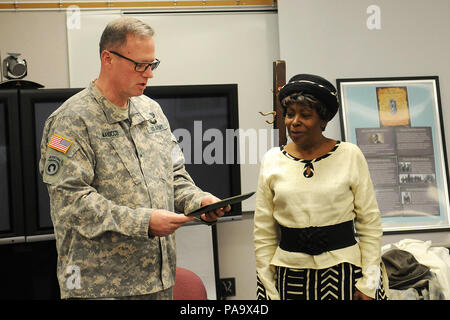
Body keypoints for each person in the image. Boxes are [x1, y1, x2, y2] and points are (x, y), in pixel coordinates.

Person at [39, 17, 229, 300]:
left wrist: (199, 201)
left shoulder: (151, 111)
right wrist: (144, 222)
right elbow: (71, 202)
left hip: (158, 281)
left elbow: (174, 175)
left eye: (152, 64)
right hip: (99, 287)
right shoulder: (70, 121)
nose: (149, 74)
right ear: (108, 58)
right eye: (140, 65)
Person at [253, 74, 388, 300]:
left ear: (323, 120)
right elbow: (264, 233)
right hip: (290, 277)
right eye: (289, 114)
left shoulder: (349, 155)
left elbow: (370, 225)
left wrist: (370, 283)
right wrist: (267, 288)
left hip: (346, 276)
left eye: (305, 115)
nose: (294, 121)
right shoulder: (271, 160)